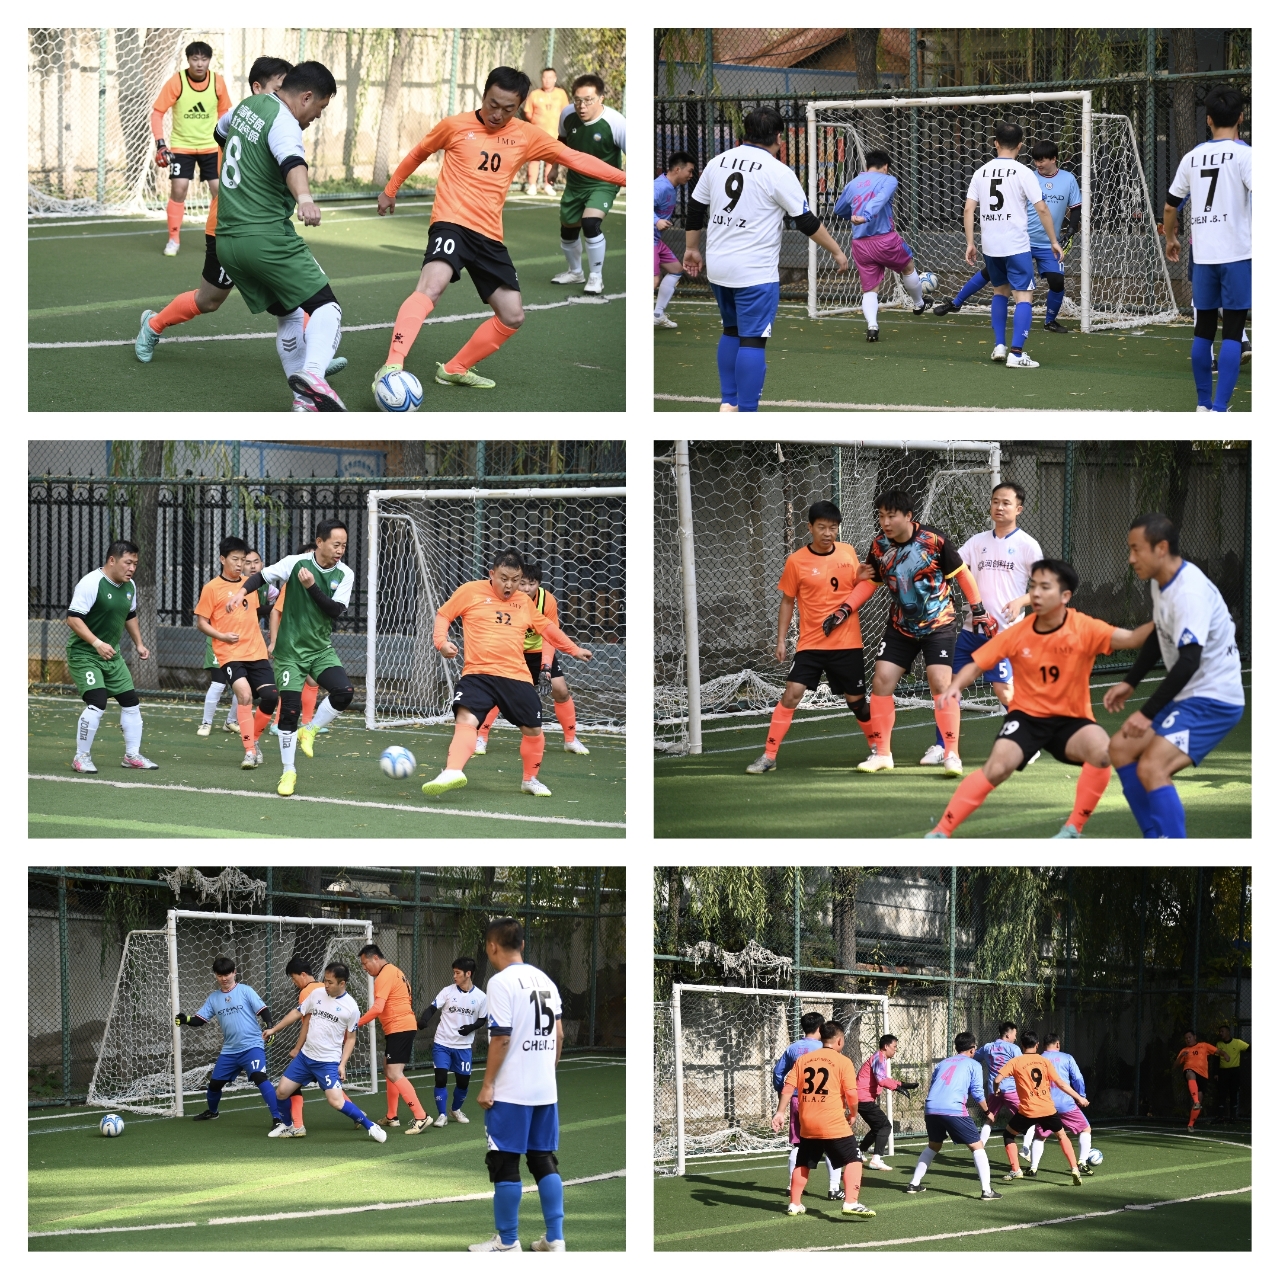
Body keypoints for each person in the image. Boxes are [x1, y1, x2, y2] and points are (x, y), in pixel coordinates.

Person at [374, 67, 627, 394]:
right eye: (493, 104)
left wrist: (626, 179)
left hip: (490, 235)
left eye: (508, 109)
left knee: (512, 314)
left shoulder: (527, 134)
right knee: (431, 286)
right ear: (484, 95)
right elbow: (418, 153)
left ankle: (455, 369)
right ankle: (392, 365)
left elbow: (576, 159)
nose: (498, 114)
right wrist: (390, 189)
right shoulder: (454, 126)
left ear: (520, 106)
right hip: (451, 223)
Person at [928, 559, 1154, 838]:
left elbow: (1131, 639)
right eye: (1033, 586)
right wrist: (955, 686)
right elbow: (977, 664)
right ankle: (941, 832)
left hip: (1072, 720)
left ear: (1065, 596)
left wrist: (1165, 621)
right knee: (996, 769)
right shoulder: (1019, 632)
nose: (1035, 593)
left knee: (1102, 753)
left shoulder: (1084, 627)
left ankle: (1073, 829)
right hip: (1027, 718)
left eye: (1045, 587)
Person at [683, 105, 849, 411]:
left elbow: (695, 209)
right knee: (752, 340)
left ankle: (728, 403)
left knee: (731, 330)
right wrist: (837, 251)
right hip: (754, 272)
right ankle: (747, 411)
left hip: (718, 267)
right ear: (778, 137)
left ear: (745, 133)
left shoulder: (717, 162)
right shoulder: (777, 171)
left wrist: (691, 248)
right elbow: (806, 221)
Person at [826, 489, 993, 777]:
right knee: (881, 680)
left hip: (939, 624)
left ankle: (951, 753)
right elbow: (871, 581)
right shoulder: (879, 545)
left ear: (908, 516)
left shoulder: (934, 540)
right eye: (881, 516)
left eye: (891, 516)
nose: (885, 522)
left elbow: (962, 574)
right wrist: (845, 608)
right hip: (901, 627)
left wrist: (978, 609)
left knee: (940, 682)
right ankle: (882, 754)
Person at [208, 61, 345, 410]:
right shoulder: (284, 122)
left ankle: (304, 402)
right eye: (320, 107)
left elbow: (220, 134)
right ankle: (313, 376)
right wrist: (305, 199)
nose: (318, 116)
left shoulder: (247, 105)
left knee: (291, 314)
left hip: (227, 242)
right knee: (326, 307)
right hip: (264, 237)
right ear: (306, 97)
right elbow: (292, 162)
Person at [1104, 513, 1245, 839]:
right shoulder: (1161, 581)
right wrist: (1130, 682)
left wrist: (1146, 712)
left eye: (1136, 549)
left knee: (1153, 767)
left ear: (1161, 548)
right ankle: (1156, 837)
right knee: (1121, 748)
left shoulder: (1188, 593)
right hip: (1192, 694)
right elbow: (1160, 633)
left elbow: (1189, 661)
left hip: (1215, 699)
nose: (1131, 559)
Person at [422, 549, 592, 799]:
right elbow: (444, 615)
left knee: (533, 730)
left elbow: (547, 629)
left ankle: (529, 780)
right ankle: (452, 770)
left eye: (515, 580)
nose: (509, 585)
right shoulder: (470, 591)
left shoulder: (524, 601)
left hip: (516, 677)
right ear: (492, 574)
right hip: (478, 674)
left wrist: (574, 649)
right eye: (504, 578)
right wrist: (441, 642)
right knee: (466, 719)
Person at [222, 519, 355, 797]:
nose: (340, 550)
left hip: (320, 649)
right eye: (336, 544)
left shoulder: (345, 573)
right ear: (319, 542)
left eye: (344, 545)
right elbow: (262, 577)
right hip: (290, 653)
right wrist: (241, 592)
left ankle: (311, 730)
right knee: (290, 710)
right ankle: (289, 771)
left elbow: (334, 610)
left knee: (344, 692)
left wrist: (311, 587)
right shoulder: (296, 563)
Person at [746, 501, 875, 774]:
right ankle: (769, 756)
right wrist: (781, 640)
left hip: (847, 643)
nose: (828, 533)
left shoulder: (848, 552)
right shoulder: (796, 561)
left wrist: (860, 577)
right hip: (811, 644)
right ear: (810, 527)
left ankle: (877, 748)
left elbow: (856, 587)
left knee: (856, 701)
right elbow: (787, 601)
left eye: (833, 528)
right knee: (791, 694)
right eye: (822, 527)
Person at [923, 483, 1043, 766]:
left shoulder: (1028, 545)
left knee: (1004, 692)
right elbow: (952, 567)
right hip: (970, 631)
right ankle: (943, 745)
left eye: (1006, 503)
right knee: (948, 686)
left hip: (1004, 635)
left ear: (1018, 509)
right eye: (995, 501)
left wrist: (1021, 601)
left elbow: (1046, 586)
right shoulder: (977, 542)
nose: (999, 507)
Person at [471, 917, 566, 1252]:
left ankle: (508, 1242)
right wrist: (546, 1072)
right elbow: (559, 1035)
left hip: (512, 1091)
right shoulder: (545, 980)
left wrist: (487, 1085)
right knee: (543, 1159)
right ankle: (555, 1239)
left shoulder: (500, 983)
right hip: (545, 1089)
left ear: (491, 946)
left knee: (505, 1161)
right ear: (522, 945)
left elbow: (501, 1038)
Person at [1163, 84, 1251, 411]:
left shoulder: (1192, 157)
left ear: (1208, 119)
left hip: (1202, 258)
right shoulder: (1246, 155)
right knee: (1233, 333)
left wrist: (1171, 238)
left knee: (1203, 331)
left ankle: (1202, 404)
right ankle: (1220, 408)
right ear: (1241, 117)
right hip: (1238, 256)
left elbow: (1170, 206)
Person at [937, 139, 1081, 335]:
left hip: (1048, 244)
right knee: (990, 273)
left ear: (1054, 158)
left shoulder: (1068, 179)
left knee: (1057, 281)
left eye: (1042, 160)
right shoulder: (1026, 175)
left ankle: (1050, 321)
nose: (1038, 164)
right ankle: (956, 302)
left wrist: (1070, 230)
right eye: (1035, 160)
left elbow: (1076, 208)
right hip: (1021, 240)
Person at [963, 120, 1063, 368]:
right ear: (1020, 146)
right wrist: (1053, 241)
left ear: (995, 143)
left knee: (999, 292)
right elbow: (1042, 208)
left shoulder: (980, 172)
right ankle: (1016, 354)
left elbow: (968, 209)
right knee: (1023, 296)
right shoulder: (1024, 172)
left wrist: (970, 243)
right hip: (1016, 245)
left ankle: (999, 345)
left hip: (990, 246)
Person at [474, 560, 590, 757]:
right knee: (497, 692)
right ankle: (481, 737)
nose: (526, 588)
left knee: (561, 690)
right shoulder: (505, 598)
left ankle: (570, 739)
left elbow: (550, 635)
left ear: (539, 584)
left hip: (538, 652)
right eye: (522, 583)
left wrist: (546, 667)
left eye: (532, 583)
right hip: (511, 651)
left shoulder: (547, 600)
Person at [262, 961, 387, 1142]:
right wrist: (274, 1029)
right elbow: (297, 1013)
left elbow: (351, 1039)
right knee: (281, 1092)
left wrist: (342, 1064)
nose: (326, 985)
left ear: (342, 983)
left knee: (335, 1101)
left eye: (330, 982)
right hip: (305, 1057)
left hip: (327, 1062)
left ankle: (371, 1126)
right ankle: (288, 1125)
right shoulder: (316, 993)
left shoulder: (351, 1008)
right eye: (325, 980)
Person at [769, 1021, 876, 1218]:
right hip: (832, 1122)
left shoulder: (804, 1060)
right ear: (840, 1040)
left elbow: (788, 1087)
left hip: (807, 1123)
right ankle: (851, 1202)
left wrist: (780, 1112)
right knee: (854, 1158)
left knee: (803, 1162)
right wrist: (853, 1113)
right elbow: (851, 1094)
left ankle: (794, 1204)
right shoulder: (843, 1061)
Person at [66, 539, 156, 773]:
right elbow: (73, 619)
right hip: (84, 654)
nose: (132, 568)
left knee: (131, 702)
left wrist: (139, 644)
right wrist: (96, 643)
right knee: (97, 702)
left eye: (135, 564)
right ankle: (81, 757)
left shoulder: (130, 586)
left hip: (111, 655)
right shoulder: (91, 583)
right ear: (112, 560)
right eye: (128, 563)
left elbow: (130, 615)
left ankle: (132, 756)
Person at [192, 535, 280, 769]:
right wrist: (221, 636)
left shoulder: (250, 586)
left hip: (256, 651)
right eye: (235, 559)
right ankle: (249, 751)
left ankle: (254, 739)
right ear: (223, 559)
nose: (240, 564)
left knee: (271, 696)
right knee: (244, 695)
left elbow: (256, 612)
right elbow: (201, 622)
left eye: (243, 560)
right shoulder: (211, 588)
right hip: (229, 653)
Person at [175, 955, 287, 1129]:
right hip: (230, 1050)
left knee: (259, 1077)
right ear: (215, 975)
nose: (224, 978)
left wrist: (270, 1026)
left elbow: (263, 1010)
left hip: (252, 1046)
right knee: (215, 1084)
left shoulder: (245, 990)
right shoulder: (214, 998)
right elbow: (200, 1019)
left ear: (234, 972)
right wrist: (186, 1019)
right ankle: (213, 1112)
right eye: (220, 975)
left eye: (227, 974)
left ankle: (278, 1118)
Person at [831, 150, 930, 341]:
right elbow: (880, 199)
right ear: (885, 167)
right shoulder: (889, 180)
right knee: (908, 267)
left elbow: (839, 209)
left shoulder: (852, 184)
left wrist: (856, 216)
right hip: (885, 240)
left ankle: (872, 326)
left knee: (870, 289)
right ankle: (919, 304)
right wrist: (866, 216)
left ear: (866, 166)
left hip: (860, 244)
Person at [151, 41, 231, 256]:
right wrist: (160, 144)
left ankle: (219, 237)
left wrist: (225, 141)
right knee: (179, 189)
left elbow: (224, 113)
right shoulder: (177, 82)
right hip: (182, 146)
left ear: (209, 60)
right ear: (188, 60)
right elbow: (157, 113)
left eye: (204, 59)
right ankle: (173, 239)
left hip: (211, 146)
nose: (199, 64)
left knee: (220, 191)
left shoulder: (217, 82)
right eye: (195, 59)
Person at [553, 74, 626, 296]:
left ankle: (596, 277)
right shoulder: (567, 114)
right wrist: (554, 168)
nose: (582, 106)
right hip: (575, 182)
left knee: (590, 222)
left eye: (588, 100)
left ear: (601, 99)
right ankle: (575, 272)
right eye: (577, 100)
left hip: (603, 183)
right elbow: (561, 143)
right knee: (568, 228)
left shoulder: (616, 122)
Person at [905, 1030, 1001, 1199]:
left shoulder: (942, 1063)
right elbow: (977, 1093)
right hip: (953, 1109)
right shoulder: (974, 1064)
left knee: (934, 1145)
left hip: (931, 1108)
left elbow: (934, 1086)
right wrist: (988, 1112)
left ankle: (913, 1183)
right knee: (977, 1146)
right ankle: (987, 1191)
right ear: (972, 1049)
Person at [994, 1032, 1089, 1183]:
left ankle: (1016, 1169)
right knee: (1062, 1136)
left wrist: (996, 1090)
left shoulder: (1015, 1061)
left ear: (1022, 1045)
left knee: (1008, 1135)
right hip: (1048, 1109)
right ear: (1037, 1045)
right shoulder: (1044, 1061)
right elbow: (1061, 1084)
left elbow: (997, 1079)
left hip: (1028, 1111)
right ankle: (1074, 1168)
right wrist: (1079, 1097)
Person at [356, 944, 430, 1136]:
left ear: (375, 958)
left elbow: (378, 1008)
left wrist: (356, 1023)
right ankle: (392, 1116)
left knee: (394, 1072)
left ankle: (421, 1116)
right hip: (400, 1027)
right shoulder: (396, 971)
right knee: (388, 1068)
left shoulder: (385, 975)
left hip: (400, 1028)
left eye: (365, 963)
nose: (364, 968)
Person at [771, 1011, 842, 1198]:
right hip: (822, 1101)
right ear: (820, 1028)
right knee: (832, 1143)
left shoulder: (793, 1048)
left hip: (796, 1100)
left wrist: (783, 1092)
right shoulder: (826, 1048)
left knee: (798, 1144)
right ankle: (834, 1188)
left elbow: (778, 1073)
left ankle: (792, 1185)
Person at [279, 956, 352, 1136]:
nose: (294, 982)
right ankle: (357, 1115)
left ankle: (297, 1125)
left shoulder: (308, 992)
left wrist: (297, 1048)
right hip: (330, 1048)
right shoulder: (323, 987)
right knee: (331, 1088)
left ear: (303, 974)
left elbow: (307, 1023)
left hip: (316, 1052)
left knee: (293, 1087)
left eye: (294, 978)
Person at [420, 955, 488, 1127]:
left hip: (463, 1047)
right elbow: (432, 1007)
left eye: (457, 973)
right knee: (440, 1078)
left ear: (468, 974)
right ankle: (442, 1115)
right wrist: (424, 1020)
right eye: (454, 972)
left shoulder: (481, 997)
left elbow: (482, 1019)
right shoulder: (447, 991)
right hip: (442, 1043)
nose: (454, 976)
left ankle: (455, 1109)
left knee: (463, 1083)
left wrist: (471, 1028)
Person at [1027, 1032, 1094, 1176]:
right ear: (1058, 1044)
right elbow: (1077, 1078)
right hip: (1066, 1104)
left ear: (1042, 1045)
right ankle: (1082, 1162)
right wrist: (1081, 1096)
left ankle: (1033, 1168)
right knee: (1086, 1129)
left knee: (1040, 1136)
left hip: (1045, 1105)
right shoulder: (1067, 1058)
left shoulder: (1036, 1059)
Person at [855, 1034, 918, 1171]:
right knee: (885, 1126)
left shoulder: (879, 1058)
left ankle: (859, 1152)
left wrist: (903, 1084)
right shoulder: (879, 1057)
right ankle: (876, 1160)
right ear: (886, 1046)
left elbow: (884, 1078)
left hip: (861, 1099)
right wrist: (898, 1088)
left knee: (877, 1127)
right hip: (863, 1099)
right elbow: (882, 1080)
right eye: (894, 1046)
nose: (896, 1049)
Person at [267, 579, 321, 735]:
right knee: (290, 684)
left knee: (312, 680)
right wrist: (274, 642)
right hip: (289, 643)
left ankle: (307, 722)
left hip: (306, 642)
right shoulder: (293, 584)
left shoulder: (319, 584)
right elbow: (275, 612)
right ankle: (277, 724)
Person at [654, 152, 696, 328]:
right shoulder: (660, 187)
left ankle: (657, 315)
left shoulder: (672, 186)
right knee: (653, 281)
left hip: (656, 240)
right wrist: (656, 221)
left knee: (676, 270)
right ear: (678, 169)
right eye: (690, 171)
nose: (691, 175)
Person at [521, 68, 569, 195]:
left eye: (550, 77)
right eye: (545, 77)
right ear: (541, 79)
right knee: (534, 159)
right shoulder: (535, 94)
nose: (547, 80)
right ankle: (532, 185)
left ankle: (548, 186)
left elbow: (566, 111)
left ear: (555, 79)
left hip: (555, 135)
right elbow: (528, 112)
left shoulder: (561, 94)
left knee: (551, 161)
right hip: (537, 135)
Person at [975, 1022, 1022, 1149]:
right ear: (1007, 1035)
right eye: (1014, 1034)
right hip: (1010, 1090)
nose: (1015, 1038)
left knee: (990, 1118)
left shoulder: (987, 1047)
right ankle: (1026, 1148)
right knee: (1027, 1115)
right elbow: (1022, 1068)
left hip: (993, 1090)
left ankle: (979, 1148)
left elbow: (974, 1058)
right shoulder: (1014, 1049)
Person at [1175, 1031, 1219, 1130]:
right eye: (1186, 1038)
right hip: (1190, 1071)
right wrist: (1181, 1056)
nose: (1188, 1039)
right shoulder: (1184, 1050)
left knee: (1200, 1099)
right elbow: (1176, 1065)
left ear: (1194, 1037)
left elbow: (1217, 1051)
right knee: (1190, 1074)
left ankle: (1190, 1125)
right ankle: (1196, 1102)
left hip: (1203, 1075)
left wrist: (1225, 1054)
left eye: (1189, 1037)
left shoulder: (1204, 1046)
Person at [1215, 1023, 1249, 1121]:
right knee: (1222, 1093)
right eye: (1220, 1032)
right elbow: (1216, 1060)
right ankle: (1220, 1116)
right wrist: (1216, 1073)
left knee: (1233, 1093)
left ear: (1228, 1032)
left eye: (1222, 1031)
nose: (1221, 1033)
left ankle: (1233, 1116)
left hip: (1234, 1072)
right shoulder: (1219, 1044)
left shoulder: (1237, 1042)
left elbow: (1249, 1048)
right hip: (1223, 1072)